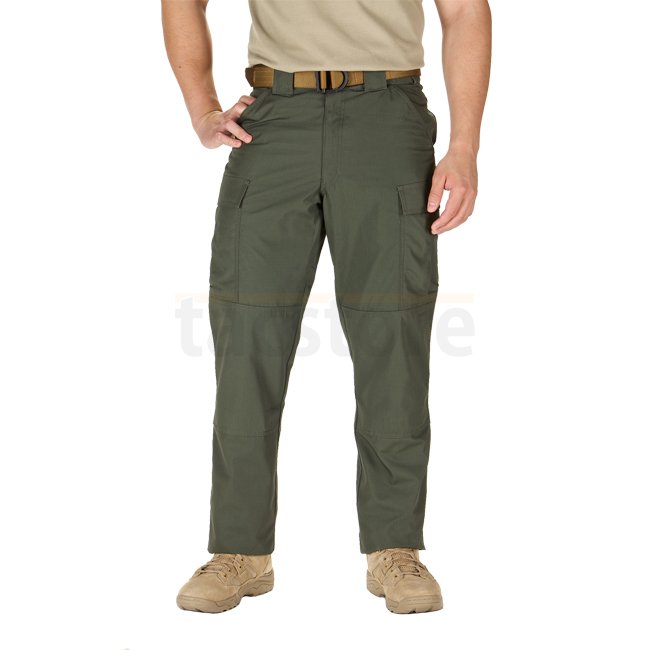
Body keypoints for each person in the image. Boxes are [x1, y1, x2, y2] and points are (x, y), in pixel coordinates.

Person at [161, 0, 491, 615]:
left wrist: (465, 146)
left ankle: (395, 548)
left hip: (387, 115)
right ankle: (240, 550)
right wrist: (202, 108)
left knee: (393, 338)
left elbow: (465, 11)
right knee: (247, 337)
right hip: (273, 119)